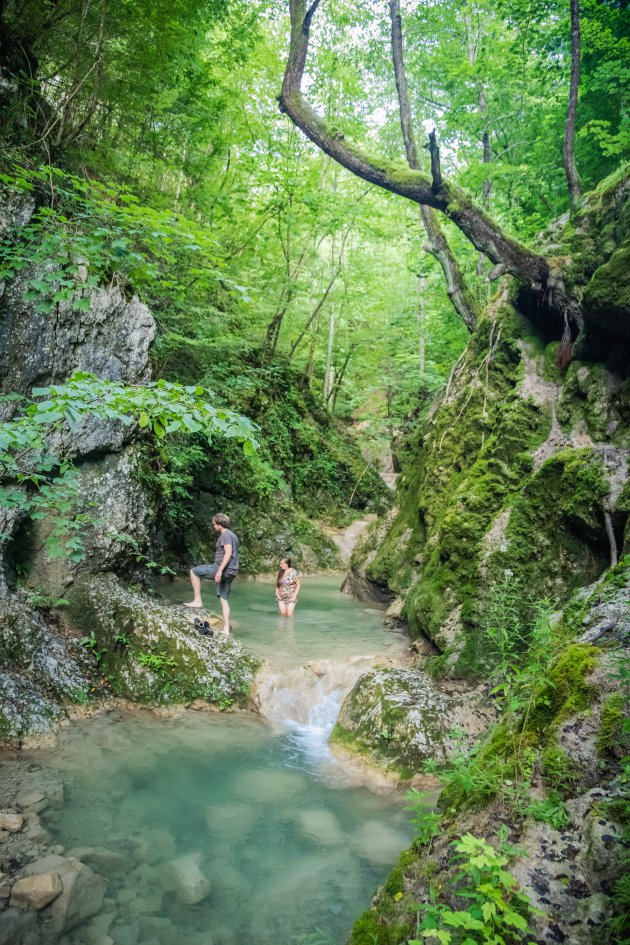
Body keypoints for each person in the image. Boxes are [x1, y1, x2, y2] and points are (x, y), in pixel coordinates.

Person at [185, 513, 239, 635]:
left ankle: (197, 601)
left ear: (220, 524)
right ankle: (226, 629)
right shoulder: (233, 535)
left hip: (222, 568)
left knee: (194, 572)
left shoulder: (225, 535)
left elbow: (228, 552)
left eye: (214, 524)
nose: (213, 526)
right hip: (232, 571)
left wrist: (219, 571)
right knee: (224, 599)